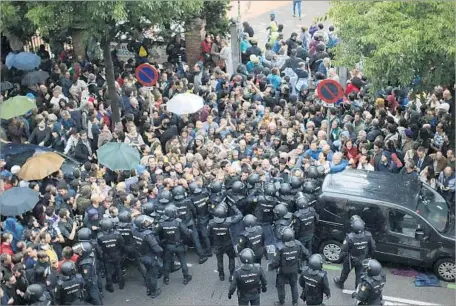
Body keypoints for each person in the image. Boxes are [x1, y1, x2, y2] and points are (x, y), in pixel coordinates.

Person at [269, 228, 310, 306]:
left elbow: (275, 262)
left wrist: (271, 267)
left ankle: (281, 302)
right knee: (294, 285)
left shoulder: (280, 247)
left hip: (282, 271)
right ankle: (295, 302)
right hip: (294, 269)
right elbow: (307, 253)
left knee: (280, 286)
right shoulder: (298, 244)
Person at [334, 217, 376, 289]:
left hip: (351, 259)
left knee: (345, 272)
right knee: (359, 275)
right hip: (362, 258)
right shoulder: (368, 236)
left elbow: (344, 250)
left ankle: (340, 283)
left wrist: (339, 259)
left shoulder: (350, 238)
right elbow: (373, 247)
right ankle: (357, 289)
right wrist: (369, 256)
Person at [158, 204, 193, 285]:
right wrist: (190, 231)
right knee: (183, 261)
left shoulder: (162, 223)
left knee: (167, 262)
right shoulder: (178, 222)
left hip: (168, 245)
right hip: (179, 245)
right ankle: (186, 277)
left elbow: (156, 232)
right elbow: (187, 233)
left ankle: (166, 279)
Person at [208, 203, 243, 281]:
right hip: (228, 244)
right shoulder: (229, 221)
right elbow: (240, 216)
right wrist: (234, 207)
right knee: (231, 259)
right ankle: (231, 275)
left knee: (219, 260)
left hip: (217, 245)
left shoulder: (211, 223)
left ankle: (221, 275)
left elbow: (208, 235)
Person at [132, 215, 163, 298]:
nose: (148, 223)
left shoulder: (134, 231)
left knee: (148, 273)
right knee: (153, 275)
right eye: (145, 222)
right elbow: (157, 249)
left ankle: (149, 289)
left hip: (141, 256)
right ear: (142, 225)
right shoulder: (147, 235)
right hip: (150, 257)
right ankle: (153, 292)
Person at [97, 218, 124, 292]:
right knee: (118, 268)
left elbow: (99, 247)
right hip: (116, 254)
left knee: (108, 272)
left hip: (106, 256)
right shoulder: (117, 234)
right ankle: (121, 285)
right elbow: (121, 244)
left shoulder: (99, 236)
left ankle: (110, 287)